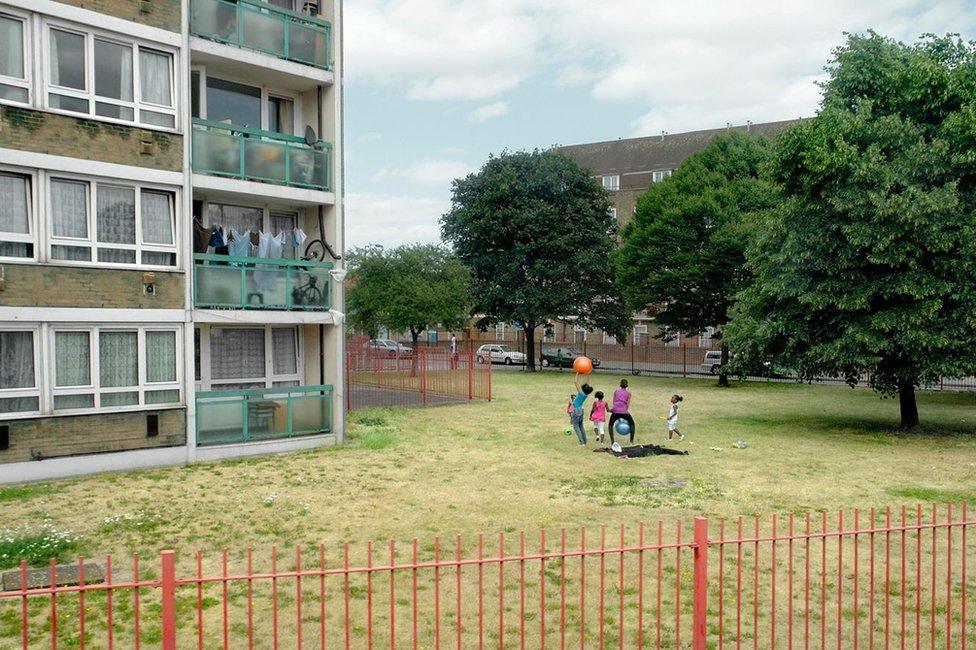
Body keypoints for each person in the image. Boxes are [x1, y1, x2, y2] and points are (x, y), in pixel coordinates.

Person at [608, 379, 636, 445]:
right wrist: (624, 411)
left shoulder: (616, 392)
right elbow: (627, 405)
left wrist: (614, 410)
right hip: (624, 411)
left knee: (610, 425)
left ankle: (612, 441)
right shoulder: (628, 394)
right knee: (632, 424)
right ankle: (631, 441)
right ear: (627, 385)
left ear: (620, 384)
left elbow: (614, 402)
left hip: (615, 411)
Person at [570, 374, 594, 446]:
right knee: (581, 426)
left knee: (576, 427)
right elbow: (587, 384)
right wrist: (588, 375)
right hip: (581, 410)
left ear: (583, 389)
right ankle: (585, 441)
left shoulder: (581, 393)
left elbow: (575, 382)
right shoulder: (585, 394)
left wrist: (577, 373)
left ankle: (582, 443)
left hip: (576, 411)